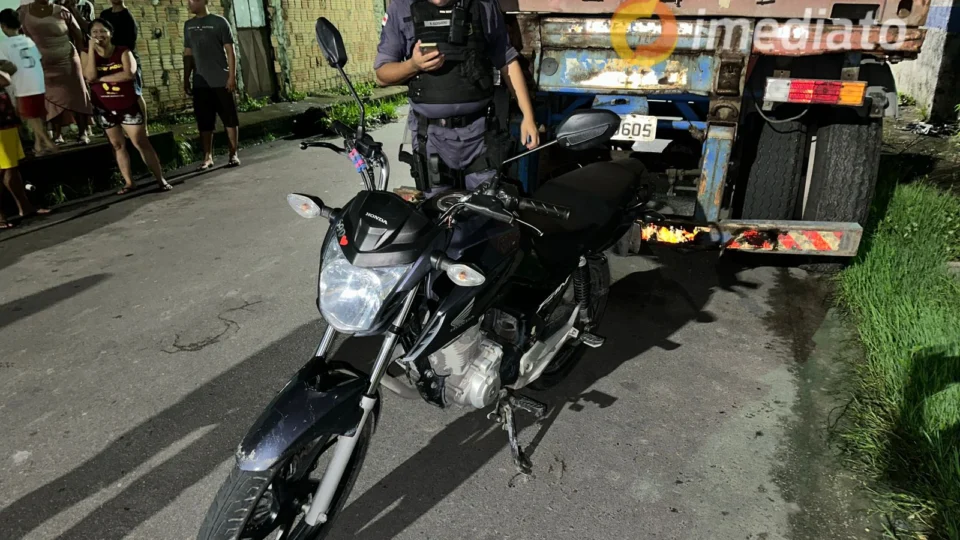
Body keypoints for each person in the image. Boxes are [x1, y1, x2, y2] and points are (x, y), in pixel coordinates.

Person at [374, 0, 539, 194]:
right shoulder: (401, 7)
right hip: (431, 137)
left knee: (486, 212)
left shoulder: (484, 5)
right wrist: (413, 65)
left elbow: (506, 60)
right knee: (439, 213)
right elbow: (382, 74)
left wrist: (528, 116)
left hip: (480, 135)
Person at [81, 18, 171, 194]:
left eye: (103, 31)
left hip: (127, 104)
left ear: (110, 34)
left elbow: (128, 74)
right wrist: (92, 50)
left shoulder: (123, 51)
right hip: (104, 107)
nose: (99, 36)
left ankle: (160, 179)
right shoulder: (86, 54)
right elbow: (90, 76)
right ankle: (129, 182)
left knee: (140, 141)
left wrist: (101, 79)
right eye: (94, 32)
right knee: (117, 145)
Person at [18, 0, 92, 145]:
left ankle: (83, 132)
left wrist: (83, 57)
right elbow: (16, 33)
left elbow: (77, 34)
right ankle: (58, 135)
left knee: (77, 94)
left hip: (68, 60)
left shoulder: (61, 11)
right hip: (41, 63)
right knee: (51, 98)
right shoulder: (23, 12)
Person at [183, 0, 239, 170]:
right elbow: (188, 53)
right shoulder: (188, 25)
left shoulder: (219, 22)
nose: (189, 3)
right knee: (204, 121)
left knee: (229, 118)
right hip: (200, 81)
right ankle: (207, 157)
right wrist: (186, 78)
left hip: (220, 79)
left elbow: (230, 50)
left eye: (193, 0)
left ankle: (233, 154)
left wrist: (231, 76)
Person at [0, 8, 59, 155]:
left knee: (30, 117)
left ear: (3, 26)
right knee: (37, 115)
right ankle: (39, 146)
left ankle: (48, 142)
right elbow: (38, 59)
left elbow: (10, 68)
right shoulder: (28, 40)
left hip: (22, 85)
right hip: (37, 82)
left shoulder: (4, 44)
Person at [0, 70, 49, 229]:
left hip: (5, 120)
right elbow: (4, 79)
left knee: (12, 167)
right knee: (2, 169)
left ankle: (25, 207)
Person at [98, 0, 148, 131]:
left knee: (134, 94)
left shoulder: (127, 17)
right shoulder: (105, 14)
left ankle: (144, 127)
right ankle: (121, 126)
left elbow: (129, 45)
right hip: (110, 61)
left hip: (127, 60)